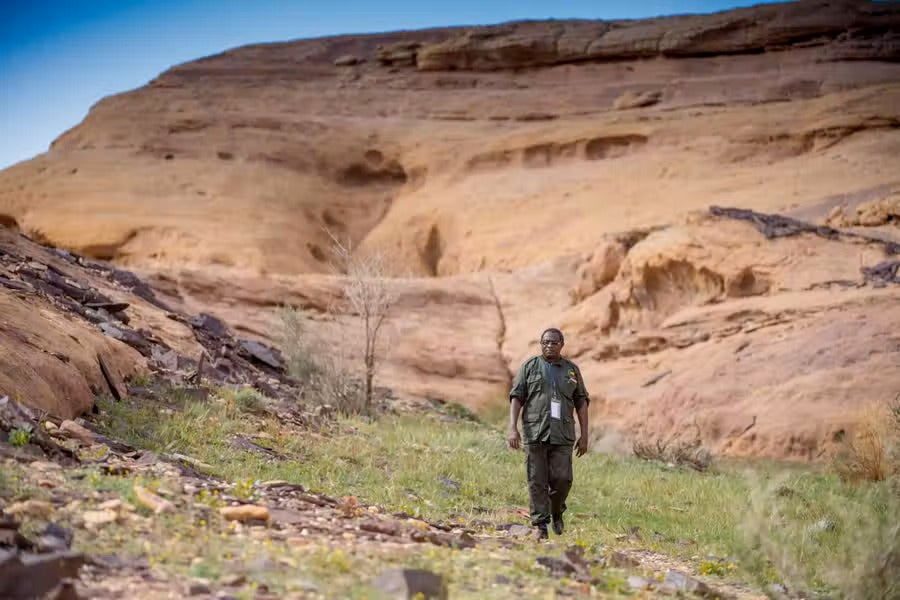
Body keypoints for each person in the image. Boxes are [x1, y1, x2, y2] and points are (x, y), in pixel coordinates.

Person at [508, 327, 590, 540]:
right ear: (541, 344)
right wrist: (512, 428)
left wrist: (585, 435)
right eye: (545, 342)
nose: (549, 346)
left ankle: (556, 511)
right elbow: (516, 397)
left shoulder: (572, 370)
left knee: (562, 479)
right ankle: (540, 525)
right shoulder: (530, 367)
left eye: (554, 342)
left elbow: (581, 401)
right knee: (537, 479)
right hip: (535, 431)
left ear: (562, 344)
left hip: (563, 434)